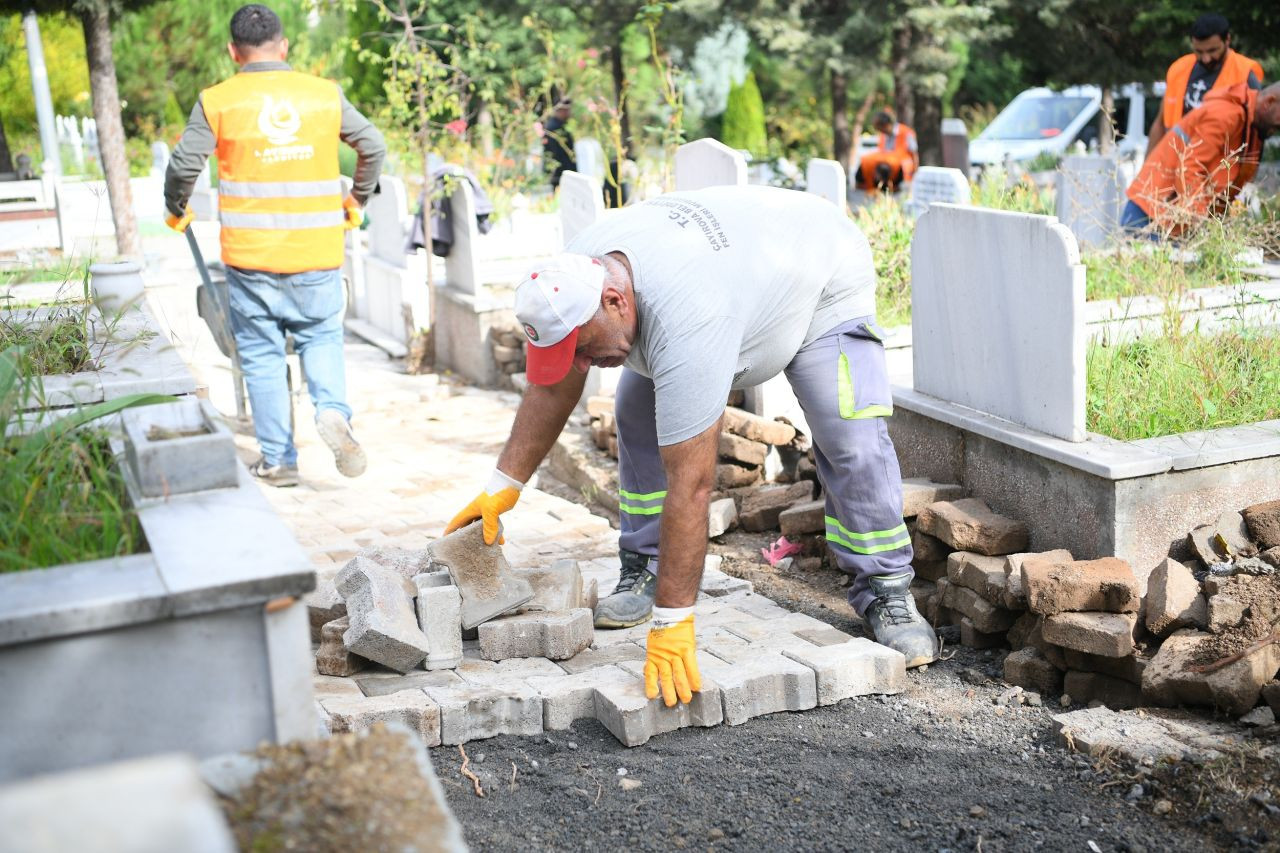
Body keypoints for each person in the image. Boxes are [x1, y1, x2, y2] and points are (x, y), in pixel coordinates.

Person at [446, 186, 938, 707]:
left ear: (615, 302)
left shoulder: (689, 318)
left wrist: (674, 621)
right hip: (727, 274)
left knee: (849, 434)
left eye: (586, 348)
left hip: (819, 275)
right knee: (635, 411)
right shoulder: (578, 277)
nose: (584, 365)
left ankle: (885, 589)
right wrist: (504, 486)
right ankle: (646, 561)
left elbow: (694, 483)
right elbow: (558, 377)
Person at [163, 4, 385, 487]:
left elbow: (184, 166)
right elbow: (374, 145)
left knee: (261, 355)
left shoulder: (218, 100)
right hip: (317, 253)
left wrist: (176, 206)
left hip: (251, 258)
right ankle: (332, 412)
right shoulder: (323, 94)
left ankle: (280, 461)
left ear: (232, 51)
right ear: (283, 47)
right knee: (320, 337)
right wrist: (357, 198)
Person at [1123, 81, 1279, 236]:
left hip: (1168, 216)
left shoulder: (1250, 125)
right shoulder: (1227, 115)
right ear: (1269, 102)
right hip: (1150, 213)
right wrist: (1202, 223)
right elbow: (1190, 168)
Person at [1145, 13, 1264, 159]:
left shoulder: (1244, 74)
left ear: (1227, 40)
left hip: (1218, 168)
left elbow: (1257, 134)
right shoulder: (1179, 70)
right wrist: (1147, 170)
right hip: (1177, 162)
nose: (1206, 58)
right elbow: (1160, 123)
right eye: (1199, 51)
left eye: (1212, 50)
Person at [857, 109, 918, 193]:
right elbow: (881, 151)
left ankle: (891, 186)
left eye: (880, 128)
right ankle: (869, 186)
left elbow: (914, 154)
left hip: (901, 166)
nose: (881, 131)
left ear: (886, 125)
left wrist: (915, 173)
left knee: (887, 165)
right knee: (867, 160)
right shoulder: (883, 135)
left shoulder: (906, 132)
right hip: (886, 162)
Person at [542, 97, 576, 190]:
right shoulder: (553, 127)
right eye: (566, 110)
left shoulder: (560, 125)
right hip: (560, 173)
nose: (569, 113)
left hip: (564, 172)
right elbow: (555, 154)